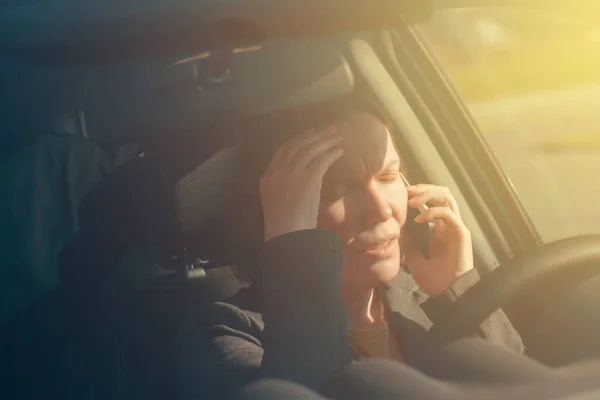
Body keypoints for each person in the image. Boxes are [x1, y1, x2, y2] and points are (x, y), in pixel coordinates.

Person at [176, 98, 525, 400]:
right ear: (281, 212)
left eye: (389, 176)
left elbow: (528, 391)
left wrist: (460, 292)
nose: (381, 209)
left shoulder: (426, 299)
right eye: (340, 189)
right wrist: (292, 250)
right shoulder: (227, 334)